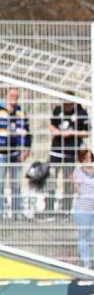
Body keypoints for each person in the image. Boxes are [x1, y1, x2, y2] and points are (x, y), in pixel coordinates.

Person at [48, 93, 89, 214]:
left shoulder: (81, 113)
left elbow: (86, 132)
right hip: (56, 152)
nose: (66, 105)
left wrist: (71, 133)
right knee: (51, 180)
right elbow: (51, 124)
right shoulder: (58, 110)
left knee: (68, 182)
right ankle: (49, 208)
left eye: (69, 102)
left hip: (70, 153)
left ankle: (66, 209)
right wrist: (56, 131)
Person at [71, 148, 94, 272]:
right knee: (83, 236)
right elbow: (76, 189)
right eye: (85, 158)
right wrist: (73, 181)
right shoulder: (78, 172)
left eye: (90, 157)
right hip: (82, 208)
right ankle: (86, 262)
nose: (88, 160)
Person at [0, 87, 31, 220]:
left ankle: (18, 212)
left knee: (16, 184)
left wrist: (26, 150)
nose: (14, 98)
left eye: (16, 96)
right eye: (12, 95)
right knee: (0, 183)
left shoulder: (21, 112)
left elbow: (27, 132)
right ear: (7, 96)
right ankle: (1, 213)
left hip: (16, 152)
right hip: (1, 152)